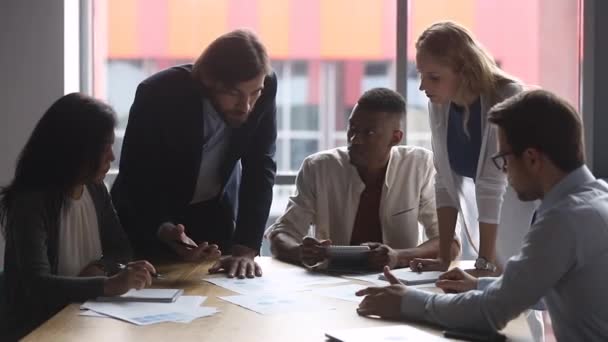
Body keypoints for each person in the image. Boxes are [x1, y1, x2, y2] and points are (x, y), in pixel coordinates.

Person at [356, 89, 608, 341]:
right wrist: (479, 285)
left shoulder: (563, 221)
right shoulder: (597, 199)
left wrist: (407, 301)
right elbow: (543, 289)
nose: (504, 171)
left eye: (503, 158)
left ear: (531, 158)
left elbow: (491, 312)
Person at [110, 29, 277, 279]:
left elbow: (260, 166)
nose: (246, 107)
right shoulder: (158, 94)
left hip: (213, 215)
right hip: (148, 216)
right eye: (234, 94)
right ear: (209, 80)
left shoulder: (265, 86)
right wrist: (164, 229)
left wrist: (246, 247)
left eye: (254, 93)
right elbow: (137, 177)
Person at [0, 93, 155, 341]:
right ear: (75, 148)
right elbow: (37, 285)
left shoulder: (95, 189)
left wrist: (100, 268)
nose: (111, 157)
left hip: (84, 318)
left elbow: (122, 249)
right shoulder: (30, 202)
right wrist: (108, 284)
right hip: (39, 329)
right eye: (103, 147)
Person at [265, 88, 459, 270]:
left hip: (396, 283)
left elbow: (450, 243)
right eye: (352, 128)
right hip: (331, 283)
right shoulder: (318, 167)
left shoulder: (419, 165)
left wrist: (398, 256)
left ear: (396, 138)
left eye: (369, 133)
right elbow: (281, 234)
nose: (355, 139)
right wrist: (300, 252)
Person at [411, 21, 537, 276]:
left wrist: (484, 265)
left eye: (433, 77)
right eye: (421, 75)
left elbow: (493, 183)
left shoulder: (505, 96)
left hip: (528, 213)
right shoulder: (440, 102)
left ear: (463, 70)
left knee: (527, 299)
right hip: (495, 221)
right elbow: (445, 181)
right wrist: (444, 258)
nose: (423, 87)